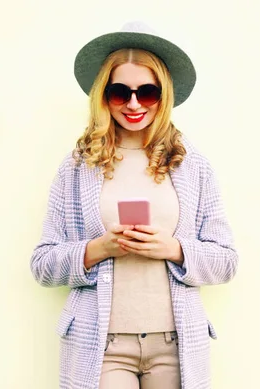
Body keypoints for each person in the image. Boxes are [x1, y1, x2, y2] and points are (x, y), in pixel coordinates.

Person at [30, 21, 239, 389]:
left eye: (147, 92)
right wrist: (97, 249)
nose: (133, 103)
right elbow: (43, 265)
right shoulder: (78, 167)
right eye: (119, 92)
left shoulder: (192, 165)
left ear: (164, 95)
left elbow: (226, 261)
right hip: (101, 346)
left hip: (176, 344)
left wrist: (173, 249)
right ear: (103, 96)